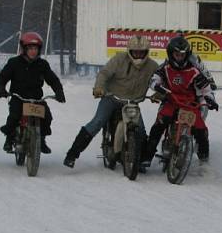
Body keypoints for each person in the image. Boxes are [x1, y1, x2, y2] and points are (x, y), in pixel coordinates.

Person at [63, 35, 158, 167]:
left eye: (141, 52)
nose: (138, 55)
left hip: (132, 103)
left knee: (140, 130)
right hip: (112, 97)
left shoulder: (152, 66)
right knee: (97, 122)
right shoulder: (119, 59)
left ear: (147, 52)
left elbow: (159, 81)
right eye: (135, 52)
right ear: (129, 51)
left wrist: (159, 95)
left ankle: (139, 161)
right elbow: (104, 73)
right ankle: (72, 154)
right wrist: (99, 88)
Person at [142, 36, 218, 166]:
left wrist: (210, 99)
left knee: (201, 130)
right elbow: (154, 79)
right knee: (159, 125)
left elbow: (206, 88)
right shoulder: (165, 68)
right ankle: (147, 157)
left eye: (182, 55)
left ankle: (204, 160)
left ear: (187, 54)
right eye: (177, 54)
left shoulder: (194, 71)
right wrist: (156, 86)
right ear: (171, 54)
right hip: (171, 101)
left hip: (189, 105)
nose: (179, 57)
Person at [0, 32, 65, 154]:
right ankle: (9, 139)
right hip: (18, 98)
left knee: (47, 117)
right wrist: (1, 89)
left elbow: (53, 80)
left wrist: (59, 91)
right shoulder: (14, 63)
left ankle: (41, 140)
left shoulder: (42, 64)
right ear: (24, 49)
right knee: (14, 116)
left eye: (35, 49)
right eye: (30, 48)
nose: (33, 51)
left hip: (36, 99)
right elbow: (1, 78)